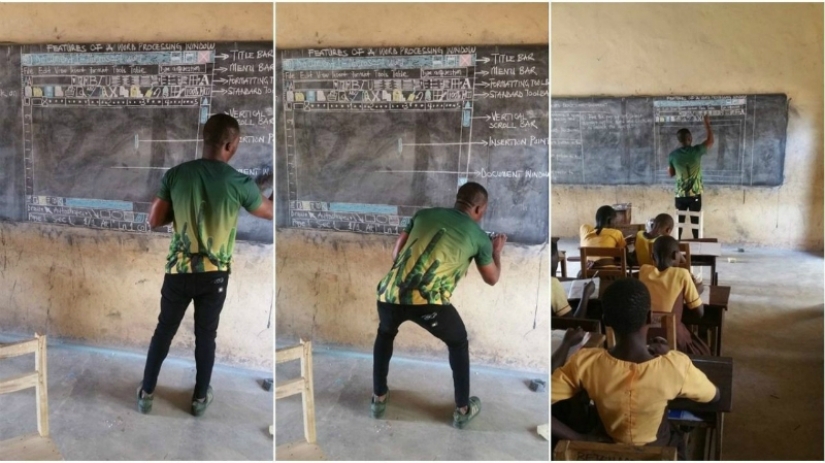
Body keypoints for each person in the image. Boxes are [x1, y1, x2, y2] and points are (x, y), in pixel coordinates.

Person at [137, 114, 274, 416]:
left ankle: (146, 394)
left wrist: (182, 209)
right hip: (215, 276)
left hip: (178, 272)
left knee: (164, 331)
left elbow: (154, 220)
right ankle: (199, 399)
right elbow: (270, 211)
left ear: (205, 139)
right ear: (230, 144)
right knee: (206, 336)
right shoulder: (239, 182)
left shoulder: (176, 175)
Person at [372, 182, 506, 429]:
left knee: (385, 334)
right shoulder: (480, 238)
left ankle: (378, 398)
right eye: (483, 211)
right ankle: (462, 409)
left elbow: (396, 254)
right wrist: (497, 251)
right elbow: (492, 278)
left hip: (389, 294)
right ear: (478, 209)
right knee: (458, 342)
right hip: (429, 303)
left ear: (457, 200)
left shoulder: (423, 215)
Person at [551, 278, 719, 458]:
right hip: (658, 450)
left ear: (606, 320)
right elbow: (715, 396)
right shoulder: (676, 365)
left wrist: (579, 438)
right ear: (650, 317)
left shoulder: (584, 362)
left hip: (606, 451)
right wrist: (669, 355)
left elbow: (539, 402)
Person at [638, 236, 711, 355]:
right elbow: (699, 313)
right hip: (673, 340)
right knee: (704, 350)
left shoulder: (644, 271)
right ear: (675, 255)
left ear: (652, 257)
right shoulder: (682, 274)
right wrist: (697, 289)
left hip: (646, 337)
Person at [668, 115, 714, 239]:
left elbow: (671, 173)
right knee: (696, 223)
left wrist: (679, 167)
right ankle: (697, 244)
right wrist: (707, 124)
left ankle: (677, 244)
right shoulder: (697, 151)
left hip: (680, 195)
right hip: (695, 195)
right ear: (690, 138)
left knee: (679, 223)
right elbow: (710, 141)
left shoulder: (672, 156)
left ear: (679, 140)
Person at [551, 240, 595, 318]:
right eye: (557, 254)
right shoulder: (553, 284)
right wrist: (586, 295)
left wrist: (576, 280)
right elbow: (572, 322)